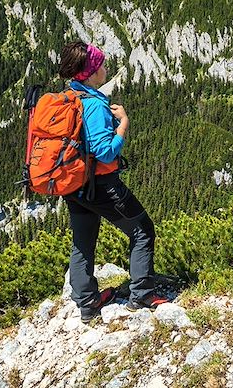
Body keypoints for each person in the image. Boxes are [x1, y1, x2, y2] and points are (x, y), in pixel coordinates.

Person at [58, 41, 168, 322]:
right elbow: (103, 151)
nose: (106, 69)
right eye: (102, 65)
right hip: (102, 186)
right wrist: (123, 125)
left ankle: (87, 302)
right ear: (92, 72)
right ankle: (142, 295)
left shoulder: (68, 95)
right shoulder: (93, 104)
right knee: (142, 230)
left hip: (74, 184)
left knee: (83, 242)